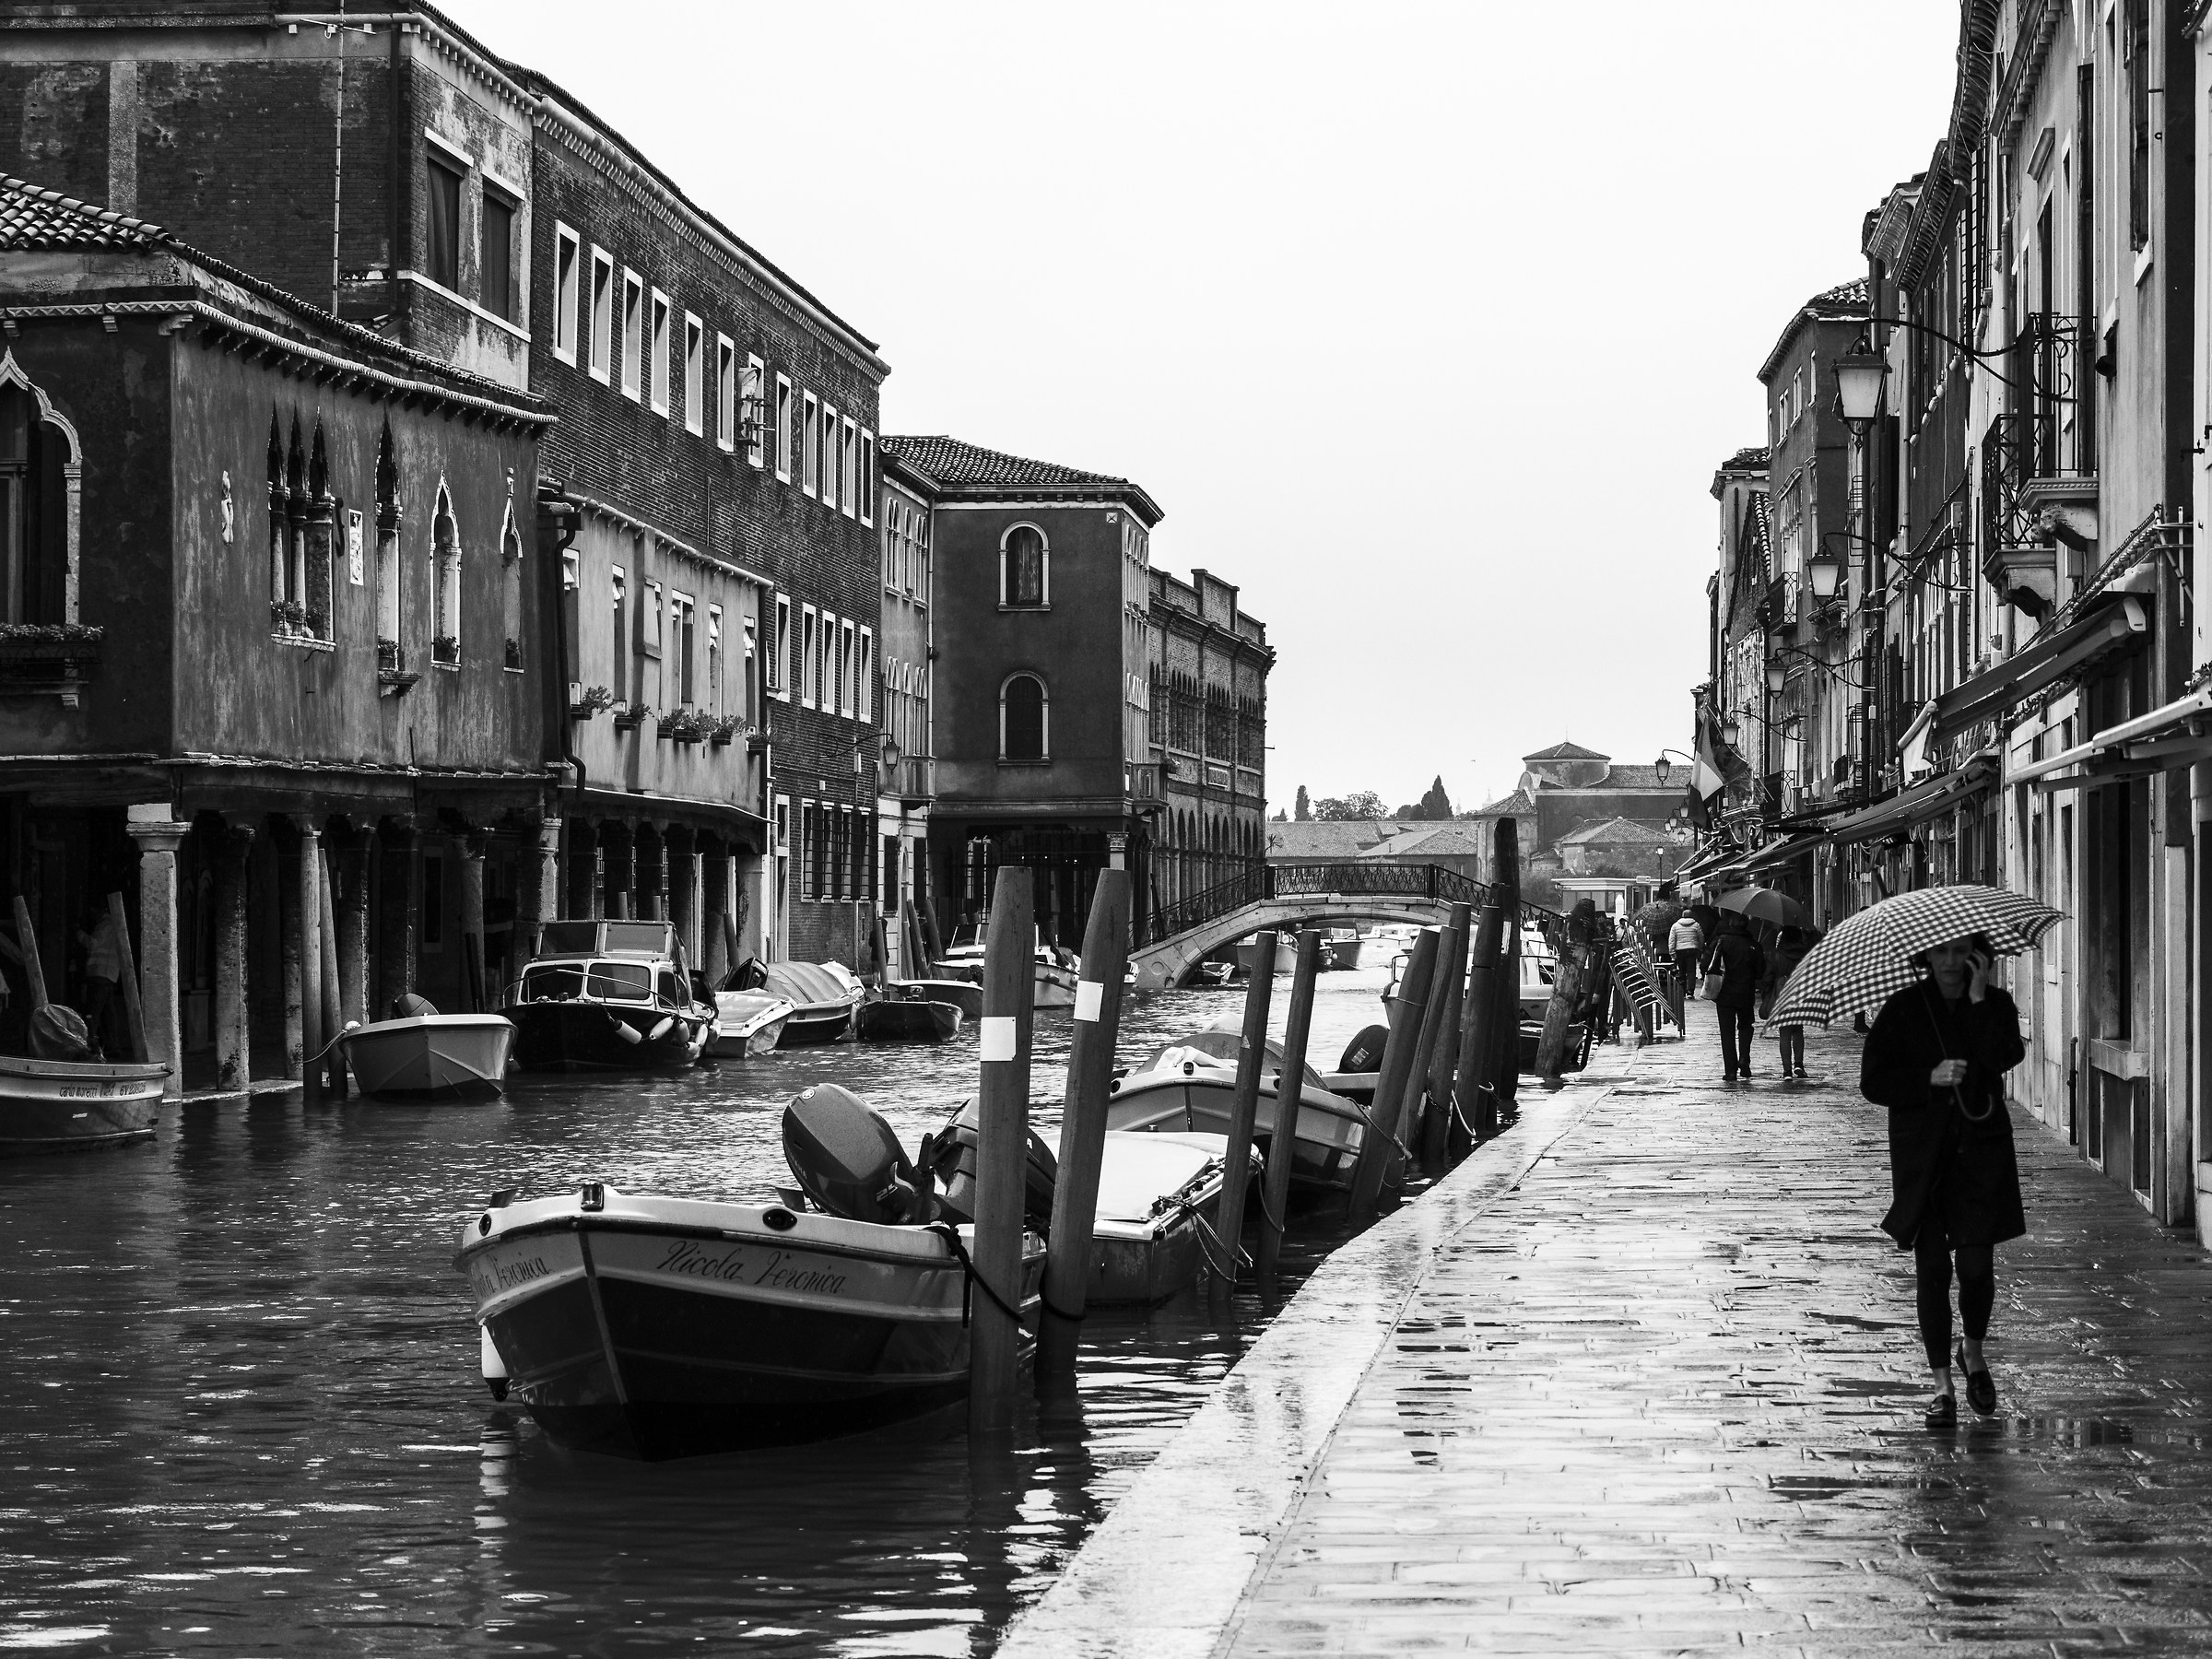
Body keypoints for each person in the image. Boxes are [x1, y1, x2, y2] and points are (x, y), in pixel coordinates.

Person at [1859, 934, 2026, 1427]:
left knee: (1975, 1267)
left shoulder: (1994, 1003)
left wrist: (1975, 1003)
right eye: (1941, 952)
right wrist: (1927, 1079)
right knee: (1933, 1270)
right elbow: (1874, 1082)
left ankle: (1972, 1351)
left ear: (1978, 957)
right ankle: (1941, 1387)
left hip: (1980, 1153)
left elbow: (2005, 1056)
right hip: (1924, 1158)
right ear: (1926, 957)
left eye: (1961, 952)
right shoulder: (1904, 1009)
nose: (1951, 962)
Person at [1705, 912, 1764, 1081]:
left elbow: (1705, 964)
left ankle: (1731, 1070)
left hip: (1724, 994)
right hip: (1746, 993)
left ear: (1731, 924)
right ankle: (1744, 1057)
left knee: (1727, 1032)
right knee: (1746, 1026)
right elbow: (1760, 972)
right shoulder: (1753, 944)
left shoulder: (1721, 941)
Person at [1763, 924, 1814, 1078]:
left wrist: (1767, 995)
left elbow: (1768, 977)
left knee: (1784, 1032)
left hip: (1781, 994)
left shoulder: (1776, 954)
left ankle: (1786, 1071)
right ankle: (1799, 1065)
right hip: (1799, 994)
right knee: (1798, 1029)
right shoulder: (1805, 954)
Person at [76, 900, 123, 1056]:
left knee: (93, 1013)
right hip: (107, 974)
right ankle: (113, 1046)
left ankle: (90, 1047)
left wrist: (79, 934)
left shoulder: (106, 924)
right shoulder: (110, 924)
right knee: (108, 1013)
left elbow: (94, 943)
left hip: (100, 973)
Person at [1665, 909, 1704, 1033]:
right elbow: (1701, 937)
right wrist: (1700, 948)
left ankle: (1681, 990)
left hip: (1680, 950)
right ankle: (1690, 991)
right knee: (1691, 971)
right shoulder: (1696, 924)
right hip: (1692, 949)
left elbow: (1672, 940)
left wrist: (1672, 952)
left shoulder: (1675, 926)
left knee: (1681, 971)